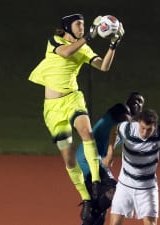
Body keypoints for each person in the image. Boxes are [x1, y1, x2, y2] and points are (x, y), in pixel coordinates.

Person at [28, 13, 125, 220]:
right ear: (67, 27)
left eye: (83, 24)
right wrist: (88, 36)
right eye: (78, 24)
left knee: (87, 133)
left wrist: (113, 45)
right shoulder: (56, 40)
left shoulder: (83, 47)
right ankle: (86, 198)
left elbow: (104, 66)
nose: (82, 27)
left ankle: (97, 182)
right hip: (53, 108)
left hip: (73, 99)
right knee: (69, 159)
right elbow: (65, 52)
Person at [103, 108, 160, 225]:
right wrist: (110, 153)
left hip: (147, 188)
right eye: (142, 128)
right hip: (124, 185)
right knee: (115, 223)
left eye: (149, 129)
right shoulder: (128, 129)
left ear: (155, 126)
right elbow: (114, 130)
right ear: (138, 123)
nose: (145, 133)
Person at [77, 91, 145, 225]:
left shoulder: (129, 128)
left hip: (94, 159)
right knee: (115, 191)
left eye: (140, 102)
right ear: (127, 100)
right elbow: (125, 120)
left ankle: (92, 211)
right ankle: (92, 210)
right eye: (134, 99)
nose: (137, 102)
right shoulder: (120, 109)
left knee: (101, 212)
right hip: (89, 156)